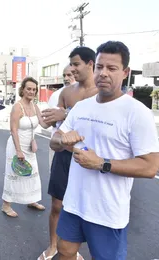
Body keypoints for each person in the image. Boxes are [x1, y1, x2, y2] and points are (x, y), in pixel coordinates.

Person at [51, 41, 159, 260]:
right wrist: (63, 140)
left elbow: (150, 166)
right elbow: (54, 141)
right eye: (100, 67)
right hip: (73, 203)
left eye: (112, 68)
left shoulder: (137, 112)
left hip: (107, 212)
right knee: (65, 251)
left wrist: (101, 163)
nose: (103, 73)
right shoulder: (82, 107)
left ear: (125, 72)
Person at [39, 46, 97, 260]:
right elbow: (53, 125)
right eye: (70, 65)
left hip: (89, 157)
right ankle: (53, 245)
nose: (71, 69)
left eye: (75, 64)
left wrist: (65, 113)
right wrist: (51, 117)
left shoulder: (100, 93)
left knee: (83, 206)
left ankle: (73, 250)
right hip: (64, 155)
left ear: (90, 64)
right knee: (57, 204)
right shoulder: (66, 92)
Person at [1, 77, 50, 217]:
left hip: (29, 146)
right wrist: (18, 151)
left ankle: (31, 200)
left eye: (34, 89)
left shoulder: (35, 106)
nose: (31, 91)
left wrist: (57, 118)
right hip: (17, 145)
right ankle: (6, 205)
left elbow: (44, 124)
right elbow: (13, 129)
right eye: (29, 88)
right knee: (14, 174)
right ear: (22, 89)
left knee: (32, 173)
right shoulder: (17, 106)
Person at [47, 65, 76, 169]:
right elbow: (49, 122)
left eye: (69, 75)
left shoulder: (86, 93)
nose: (66, 78)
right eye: (64, 75)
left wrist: (66, 115)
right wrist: (57, 118)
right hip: (57, 144)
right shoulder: (56, 95)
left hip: (77, 147)